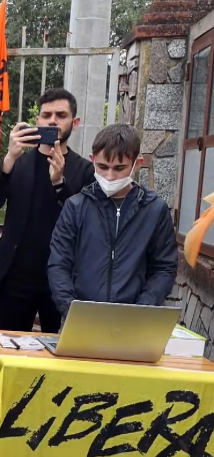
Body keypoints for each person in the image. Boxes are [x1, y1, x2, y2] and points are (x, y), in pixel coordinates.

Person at [0, 88, 95, 333]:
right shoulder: (17, 162)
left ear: (74, 123)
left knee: (60, 357)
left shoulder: (85, 170)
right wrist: (8, 159)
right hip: (15, 277)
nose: (52, 120)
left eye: (61, 115)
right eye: (46, 115)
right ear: (37, 122)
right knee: (11, 351)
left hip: (62, 280)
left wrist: (59, 182)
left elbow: (84, 221)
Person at [48, 124, 177, 319]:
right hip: (80, 319)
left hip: (134, 322)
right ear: (92, 161)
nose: (109, 176)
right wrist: (71, 309)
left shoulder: (155, 210)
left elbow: (164, 267)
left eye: (119, 168)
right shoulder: (75, 207)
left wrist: (143, 308)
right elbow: (58, 264)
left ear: (137, 163)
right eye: (102, 167)